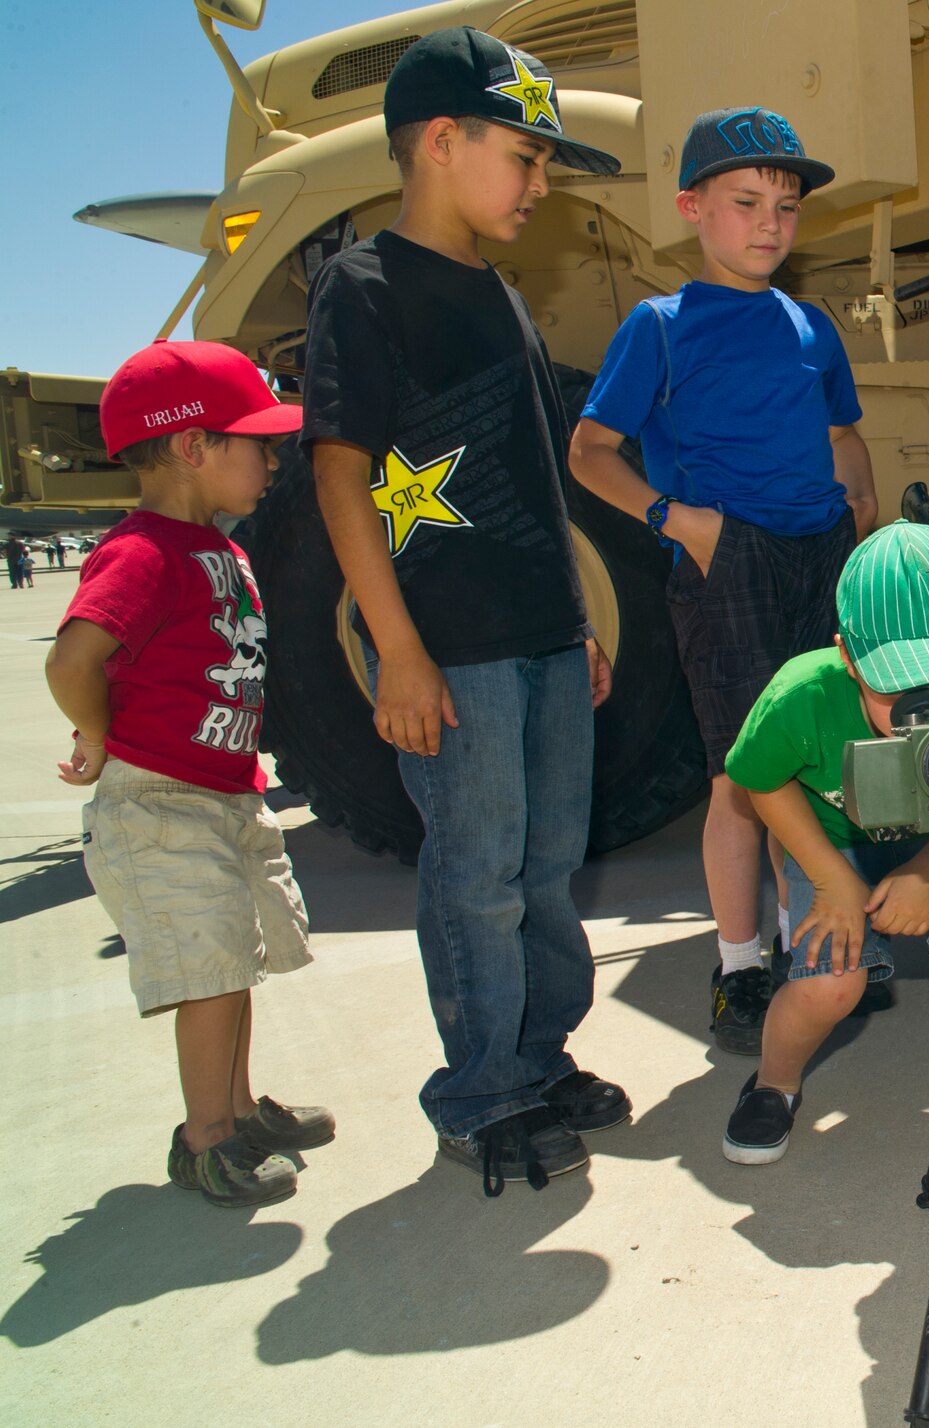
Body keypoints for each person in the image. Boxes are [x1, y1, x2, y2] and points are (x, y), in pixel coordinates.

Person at [302, 27, 630, 1196]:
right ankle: (479, 1093)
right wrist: (398, 652)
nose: (539, 186)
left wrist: (576, 616)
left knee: (545, 870)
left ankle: (538, 1060)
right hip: (454, 653)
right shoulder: (364, 287)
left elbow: (540, 475)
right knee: (476, 874)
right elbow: (341, 474)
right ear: (442, 141)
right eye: (525, 157)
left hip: (542, 637)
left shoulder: (499, 293)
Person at [570, 105, 878, 1058]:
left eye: (786, 207)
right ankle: (740, 965)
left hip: (822, 553)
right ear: (691, 208)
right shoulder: (659, 326)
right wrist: (680, 521)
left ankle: (815, 944)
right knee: (742, 780)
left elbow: (843, 440)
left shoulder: (811, 326)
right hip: (728, 558)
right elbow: (588, 451)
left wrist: (862, 551)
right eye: (745, 203)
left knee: (828, 762)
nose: (769, 225)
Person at [44, 339, 330, 1209]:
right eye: (258, 442)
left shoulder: (219, 548)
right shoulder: (143, 552)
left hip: (222, 791)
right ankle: (205, 1139)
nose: (273, 458)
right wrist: (96, 732)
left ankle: (238, 1109)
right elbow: (72, 659)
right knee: (207, 971)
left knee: (231, 960)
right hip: (160, 799)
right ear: (191, 447)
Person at [718, 521, 929, 1168]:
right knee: (828, 984)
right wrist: (830, 881)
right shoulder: (802, 695)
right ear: (848, 657)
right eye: (901, 683)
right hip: (832, 842)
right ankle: (773, 1083)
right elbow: (760, 784)